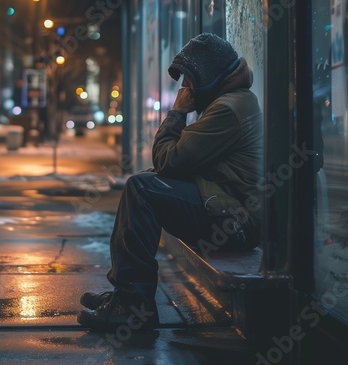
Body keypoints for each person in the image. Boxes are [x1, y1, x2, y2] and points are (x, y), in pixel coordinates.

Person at [77, 33, 263, 332]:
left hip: (237, 224)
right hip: (228, 211)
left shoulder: (227, 109)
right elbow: (175, 165)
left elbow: (169, 160)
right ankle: (129, 295)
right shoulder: (229, 102)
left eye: (188, 79)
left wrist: (177, 113)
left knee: (142, 189)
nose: (184, 87)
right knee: (147, 182)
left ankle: (133, 306)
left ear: (208, 77)